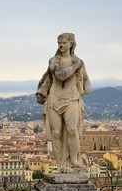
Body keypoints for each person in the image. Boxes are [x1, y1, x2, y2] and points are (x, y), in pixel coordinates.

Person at [36, 32, 91, 173]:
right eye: (59, 43)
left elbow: (86, 79)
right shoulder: (54, 60)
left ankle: (73, 160)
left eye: (64, 42)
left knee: (72, 130)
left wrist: (85, 88)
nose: (60, 45)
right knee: (56, 133)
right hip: (54, 99)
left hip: (72, 98)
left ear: (71, 44)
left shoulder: (79, 62)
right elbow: (60, 76)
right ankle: (61, 164)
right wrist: (75, 66)